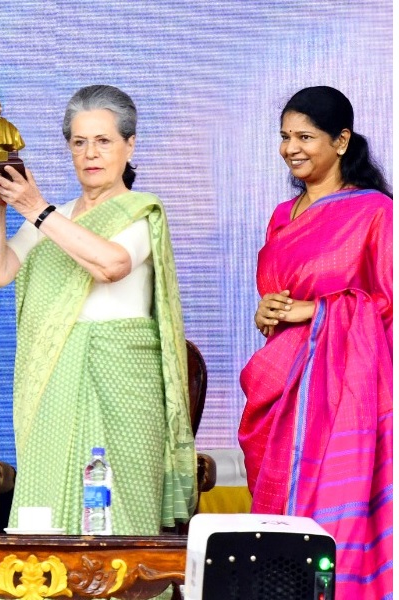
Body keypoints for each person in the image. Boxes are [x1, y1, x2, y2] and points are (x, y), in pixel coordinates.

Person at [0, 85, 195, 537]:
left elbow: (111, 265)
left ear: (129, 145)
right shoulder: (55, 217)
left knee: (120, 513)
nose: (90, 153)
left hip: (124, 387)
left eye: (103, 141)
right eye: (79, 142)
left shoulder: (140, 211)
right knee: (46, 514)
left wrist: (36, 209)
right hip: (54, 379)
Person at [240, 86, 392, 598]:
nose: (291, 148)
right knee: (277, 524)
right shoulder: (282, 216)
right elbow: (278, 297)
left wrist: (320, 310)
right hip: (281, 384)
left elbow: (389, 302)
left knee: (331, 519)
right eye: (285, 137)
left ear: (341, 141)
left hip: (341, 391)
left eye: (305, 137)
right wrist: (266, 310)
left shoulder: (374, 211)